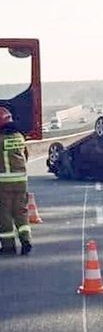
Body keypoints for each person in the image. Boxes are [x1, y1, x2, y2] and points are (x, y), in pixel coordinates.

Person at [0, 107, 32, 255]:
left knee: (4, 214)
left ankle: (8, 246)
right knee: (21, 212)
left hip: (4, 183)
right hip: (21, 181)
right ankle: (26, 240)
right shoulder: (19, 136)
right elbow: (25, 156)